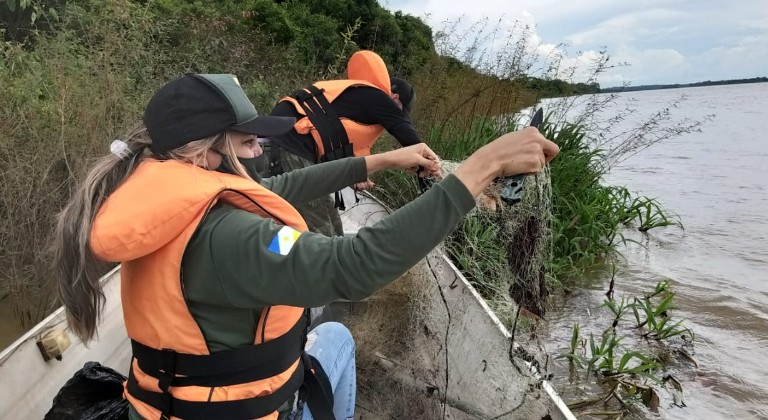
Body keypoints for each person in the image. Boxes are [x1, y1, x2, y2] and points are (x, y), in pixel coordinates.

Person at [51, 73, 558, 420]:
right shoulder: (228, 236)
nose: (262, 150)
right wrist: (478, 170)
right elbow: (353, 265)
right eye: (250, 142)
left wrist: (378, 161)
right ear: (207, 152)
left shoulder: (170, 199)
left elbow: (280, 191)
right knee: (334, 337)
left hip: (167, 403)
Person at [266, 50, 424, 236]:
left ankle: (278, 254)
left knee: (333, 228)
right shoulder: (378, 96)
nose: (395, 114)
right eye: (399, 111)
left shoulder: (353, 98)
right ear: (395, 98)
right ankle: (281, 257)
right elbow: (412, 141)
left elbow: (328, 150)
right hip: (287, 150)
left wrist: (353, 177)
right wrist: (426, 170)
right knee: (322, 237)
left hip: (280, 147)